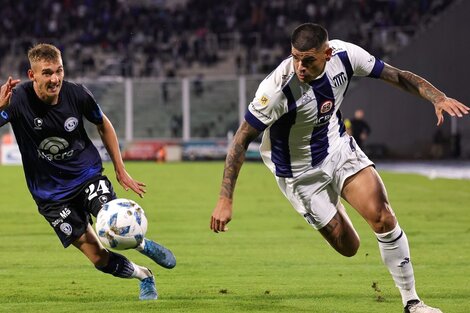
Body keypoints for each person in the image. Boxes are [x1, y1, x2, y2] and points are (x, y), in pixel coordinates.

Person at [210, 23, 469, 313]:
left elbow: (396, 76)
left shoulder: (346, 56)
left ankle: (412, 301)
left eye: (308, 60)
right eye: (295, 57)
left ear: (327, 54)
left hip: (337, 148)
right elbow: (241, 140)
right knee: (349, 247)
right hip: (299, 174)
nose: (300, 67)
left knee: (382, 216)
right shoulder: (276, 89)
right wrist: (225, 199)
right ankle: (335, 203)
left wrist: (437, 97)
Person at [0, 43, 176, 300]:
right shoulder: (16, 101)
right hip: (50, 195)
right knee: (98, 257)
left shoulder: (77, 94)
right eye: (47, 73)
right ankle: (144, 275)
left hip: (86, 176)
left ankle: (140, 243)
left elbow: (103, 124)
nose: (55, 79)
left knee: (113, 222)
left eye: (59, 71)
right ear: (32, 75)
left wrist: (120, 168)